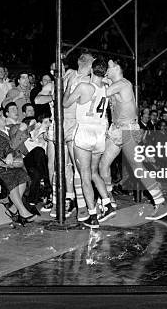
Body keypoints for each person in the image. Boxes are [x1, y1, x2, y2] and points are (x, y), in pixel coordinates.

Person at [100, 59, 167, 220]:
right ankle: (109, 202)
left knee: (137, 168)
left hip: (128, 130)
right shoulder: (114, 83)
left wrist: (94, 78)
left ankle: (161, 202)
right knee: (103, 165)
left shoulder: (123, 84)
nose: (107, 68)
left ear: (117, 69)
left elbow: (102, 92)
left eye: (110, 66)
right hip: (117, 129)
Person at [63, 58, 113, 228]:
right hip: (99, 133)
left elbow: (65, 103)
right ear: (105, 72)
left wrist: (69, 84)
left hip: (84, 130)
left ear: (91, 69)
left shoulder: (84, 87)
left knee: (85, 175)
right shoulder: (107, 88)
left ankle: (92, 216)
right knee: (94, 172)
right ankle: (107, 202)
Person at [0, 107, 37, 223]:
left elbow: (20, 145)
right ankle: (23, 212)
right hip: (0, 166)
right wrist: (19, 133)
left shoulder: (9, 129)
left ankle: (13, 209)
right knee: (12, 177)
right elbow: (9, 148)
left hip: (15, 163)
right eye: (0, 116)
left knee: (23, 176)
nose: (4, 118)